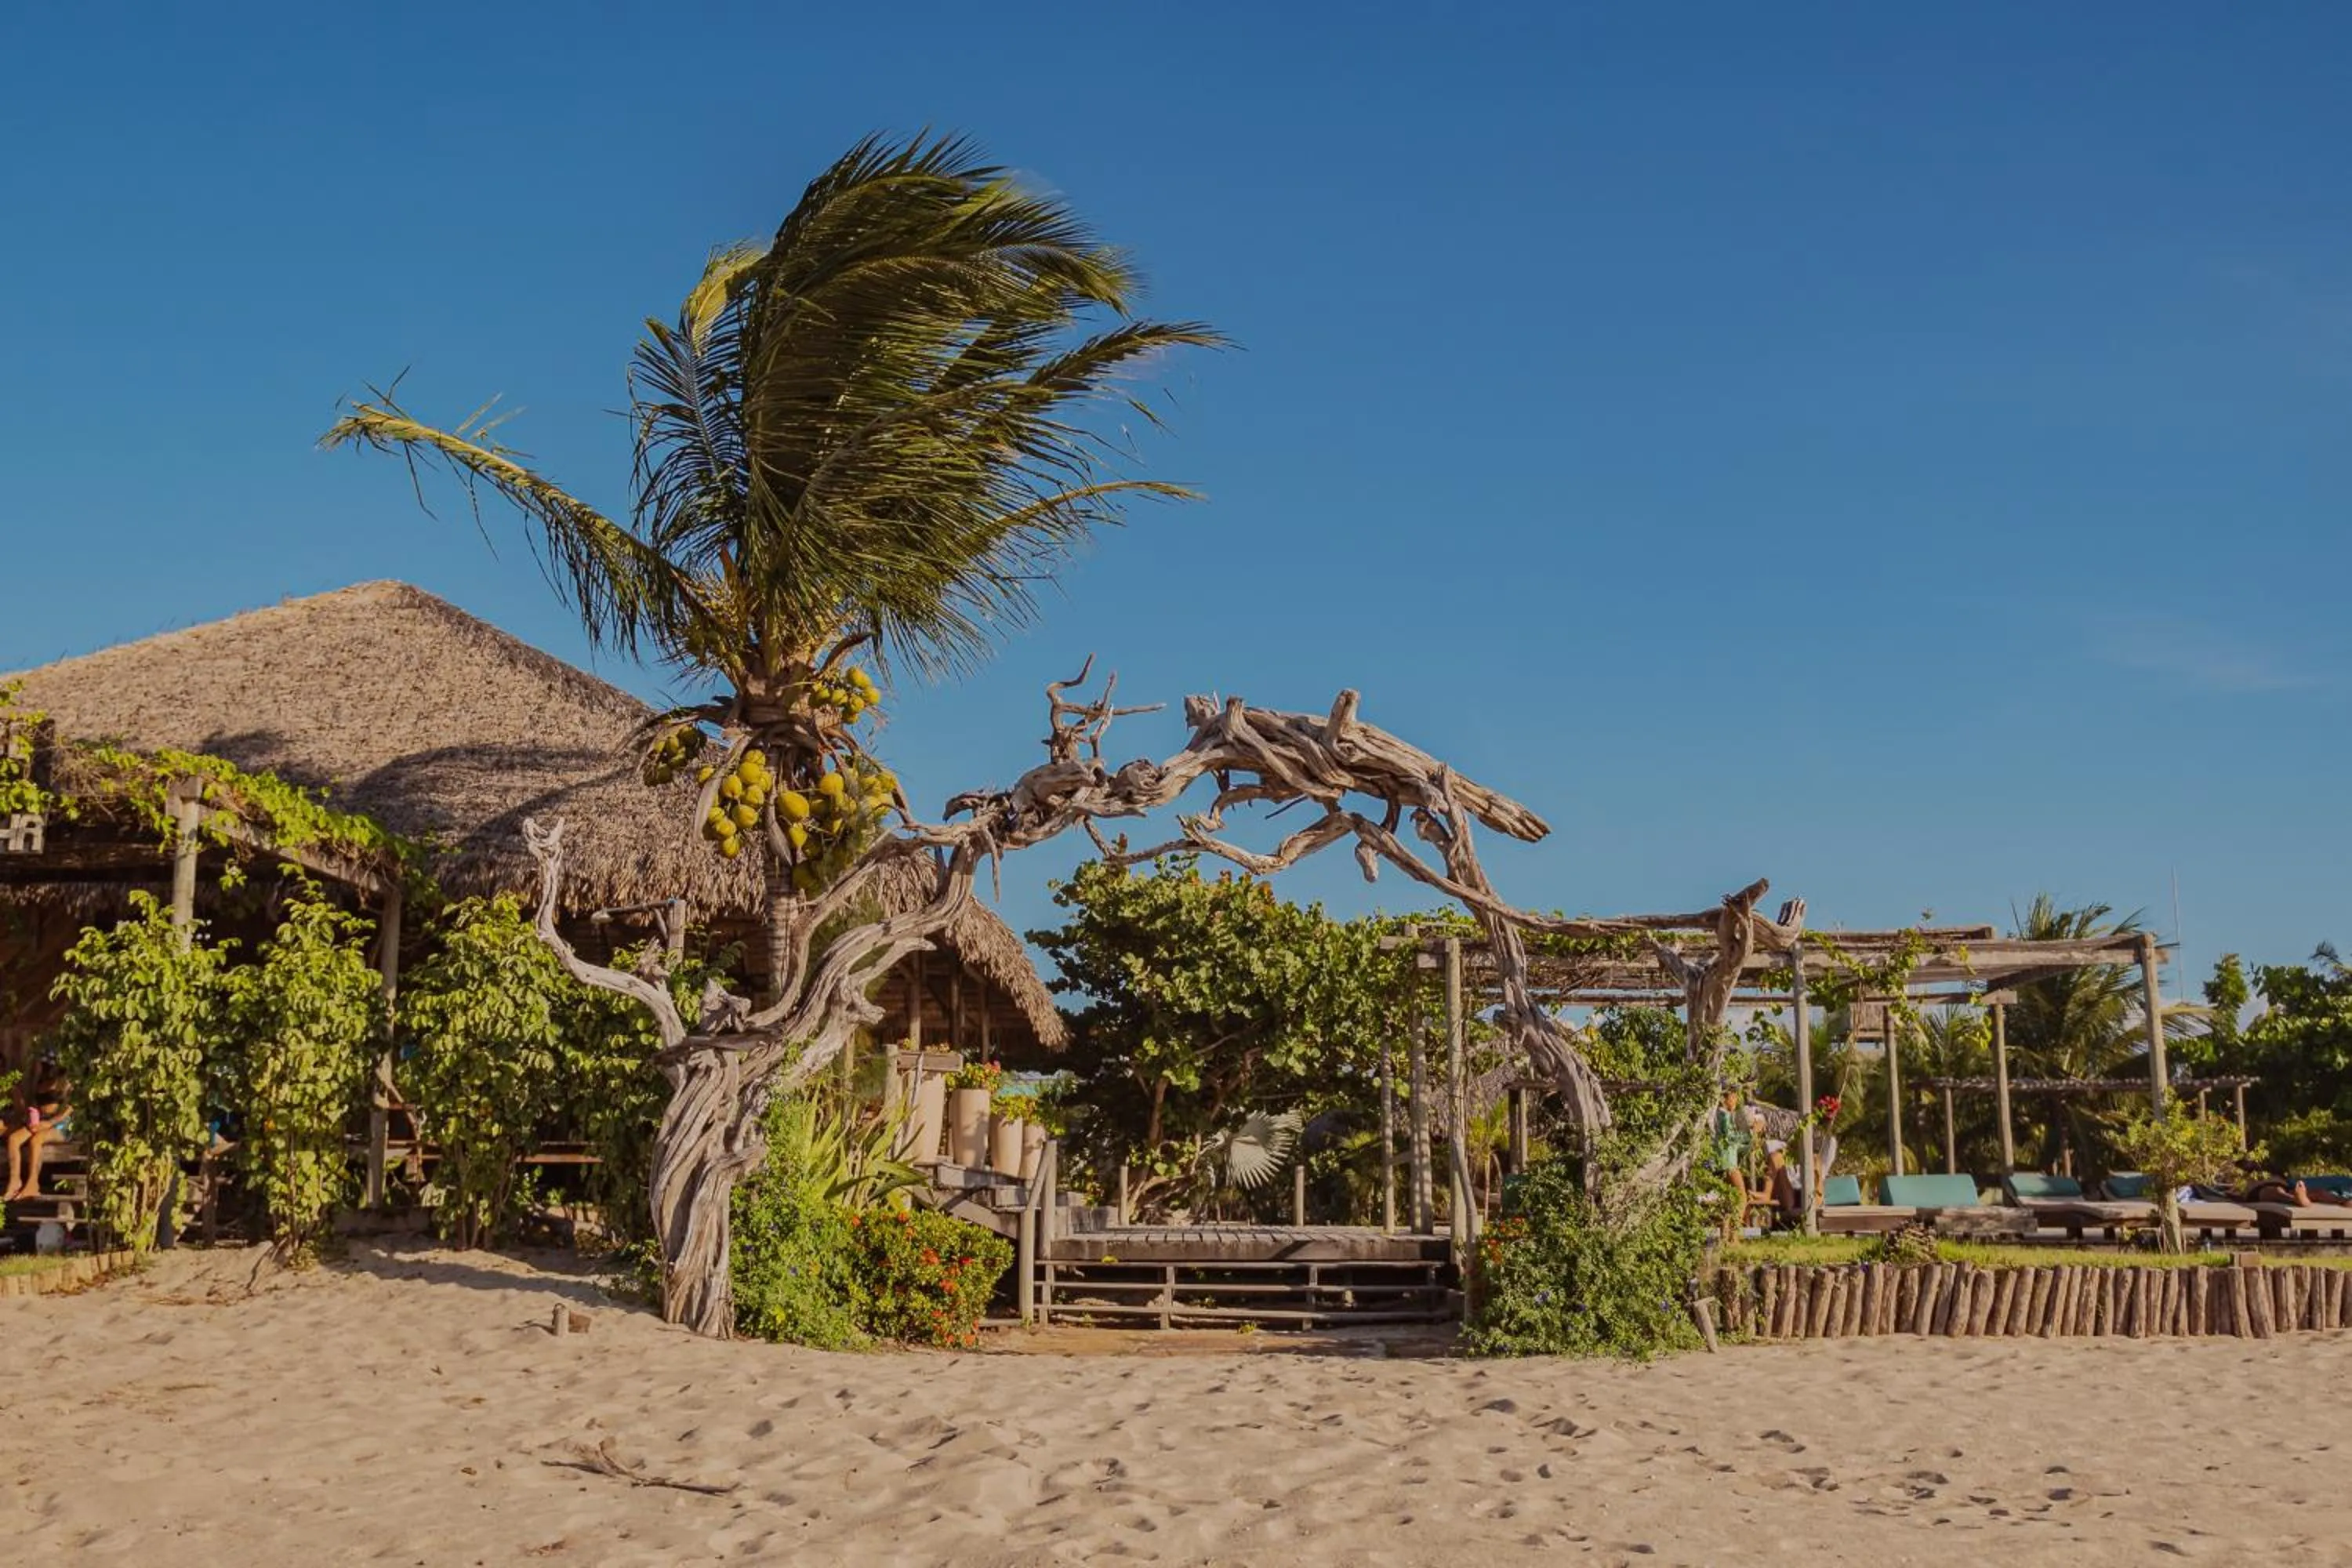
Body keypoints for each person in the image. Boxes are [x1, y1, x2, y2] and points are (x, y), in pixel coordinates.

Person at [2, 1063, 70, 1202]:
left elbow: (70, 1108)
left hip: (61, 1123)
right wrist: (32, 1119)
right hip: (41, 1120)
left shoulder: (66, 1081)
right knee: (14, 1139)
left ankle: (33, 1184)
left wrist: (50, 1123)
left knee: (37, 1139)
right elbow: (35, 1105)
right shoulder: (40, 1079)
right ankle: (15, 1180)